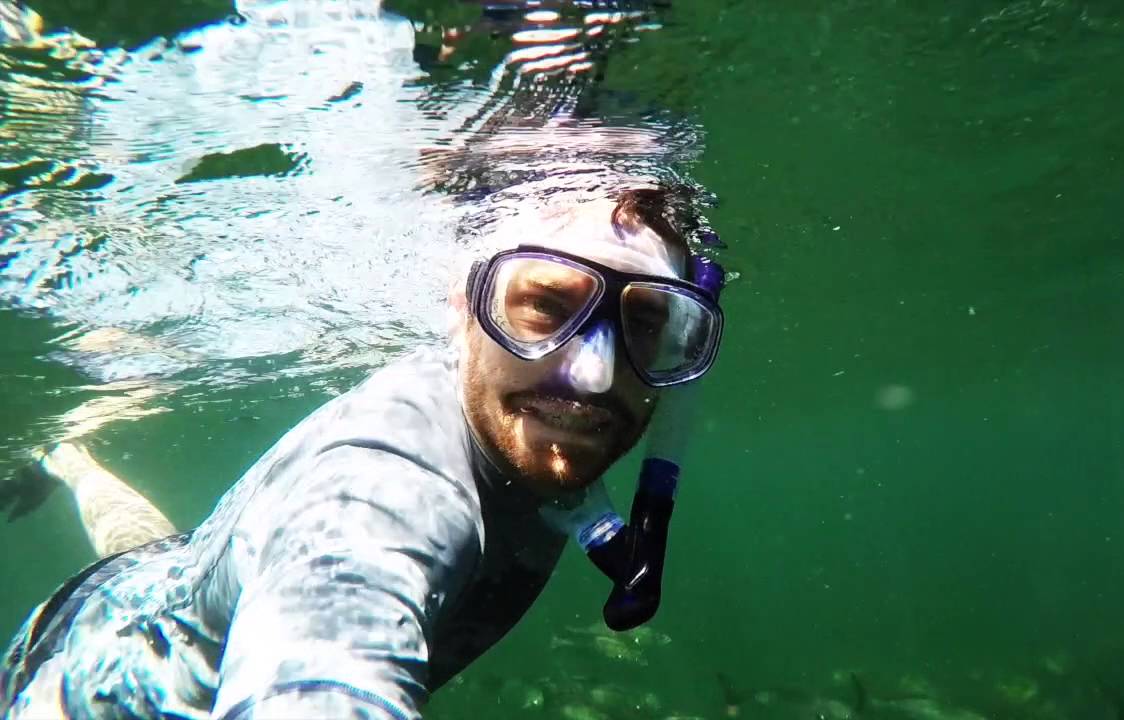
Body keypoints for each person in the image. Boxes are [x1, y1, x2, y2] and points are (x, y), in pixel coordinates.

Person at [0, 184, 726, 720]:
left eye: (644, 322)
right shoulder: (382, 485)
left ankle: (74, 462)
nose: (595, 374)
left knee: (173, 566)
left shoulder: (521, 426)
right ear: (462, 308)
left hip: (164, 586)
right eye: (545, 305)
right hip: (57, 681)